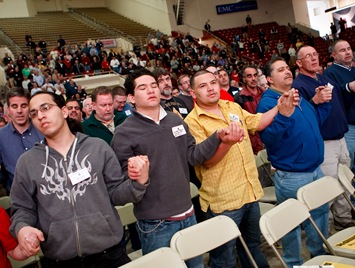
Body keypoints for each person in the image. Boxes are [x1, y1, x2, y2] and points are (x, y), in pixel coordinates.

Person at [111, 68, 238, 268]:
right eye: (143, 88)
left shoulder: (174, 120)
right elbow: (121, 185)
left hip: (188, 214)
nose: (151, 90)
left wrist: (216, 138)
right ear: (130, 98)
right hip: (156, 224)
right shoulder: (124, 133)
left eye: (154, 85)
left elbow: (193, 155)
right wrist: (136, 176)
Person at [10, 91, 148, 268]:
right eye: (34, 113)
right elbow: (22, 208)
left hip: (108, 255)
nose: (40, 116)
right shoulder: (28, 162)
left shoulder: (97, 147)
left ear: (64, 111)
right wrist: (22, 228)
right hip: (59, 260)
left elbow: (116, 193)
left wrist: (139, 182)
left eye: (45, 108)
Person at [185, 69, 296, 268]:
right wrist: (226, 143)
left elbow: (258, 122)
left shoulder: (231, 106)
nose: (211, 88)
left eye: (213, 82)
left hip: (249, 192)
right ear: (193, 93)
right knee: (224, 258)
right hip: (224, 201)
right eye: (203, 86)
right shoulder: (192, 122)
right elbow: (206, 162)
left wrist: (279, 107)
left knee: (252, 246)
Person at [256, 57, 331, 267]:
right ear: (270, 79)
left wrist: (320, 103)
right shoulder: (269, 102)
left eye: (287, 68)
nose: (287, 72)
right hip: (293, 175)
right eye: (280, 70)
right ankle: (293, 263)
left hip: (315, 169)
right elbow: (268, 138)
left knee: (320, 215)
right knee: (292, 225)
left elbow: (314, 121)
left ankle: (320, 258)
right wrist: (284, 115)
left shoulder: (296, 94)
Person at [293, 45, 352, 230]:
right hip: (324, 143)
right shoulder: (299, 86)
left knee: (344, 182)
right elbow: (301, 118)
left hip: (341, 138)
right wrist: (314, 101)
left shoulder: (323, 78)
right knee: (329, 189)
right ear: (299, 62)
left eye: (315, 54)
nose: (313, 58)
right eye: (307, 56)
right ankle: (327, 231)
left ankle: (345, 221)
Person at [324, 40, 355, 209]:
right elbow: (335, 93)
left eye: (348, 49)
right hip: (348, 127)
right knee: (349, 167)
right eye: (342, 50)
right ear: (334, 55)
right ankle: (352, 204)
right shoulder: (330, 73)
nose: (347, 52)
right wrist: (348, 87)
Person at [0, 88, 44, 193]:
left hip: (47, 194)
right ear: (8, 110)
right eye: (14, 106)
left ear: (30, 107)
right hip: (18, 197)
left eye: (24, 106)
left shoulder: (43, 128)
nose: (19, 111)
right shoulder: (1, 136)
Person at [234, 65, 264, 155]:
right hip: (252, 143)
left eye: (255, 75)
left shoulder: (266, 94)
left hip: (269, 137)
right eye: (249, 76)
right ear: (244, 79)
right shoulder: (238, 98)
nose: (253, 79)